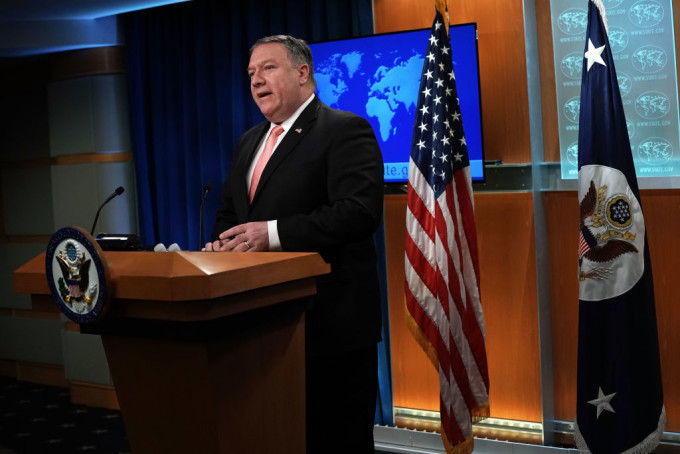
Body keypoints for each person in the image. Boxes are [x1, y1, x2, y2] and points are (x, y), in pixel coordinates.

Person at [205, 35, 384, 453]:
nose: (256, 80)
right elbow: (230, 213)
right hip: (262, 324)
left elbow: (357, 213)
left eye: (268, 68)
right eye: (251, 72)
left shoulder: (344, 129)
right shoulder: (249, 141)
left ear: (303, 73)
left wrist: (270, 235)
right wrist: (222, 245)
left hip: (330, 326)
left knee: (336, 441)